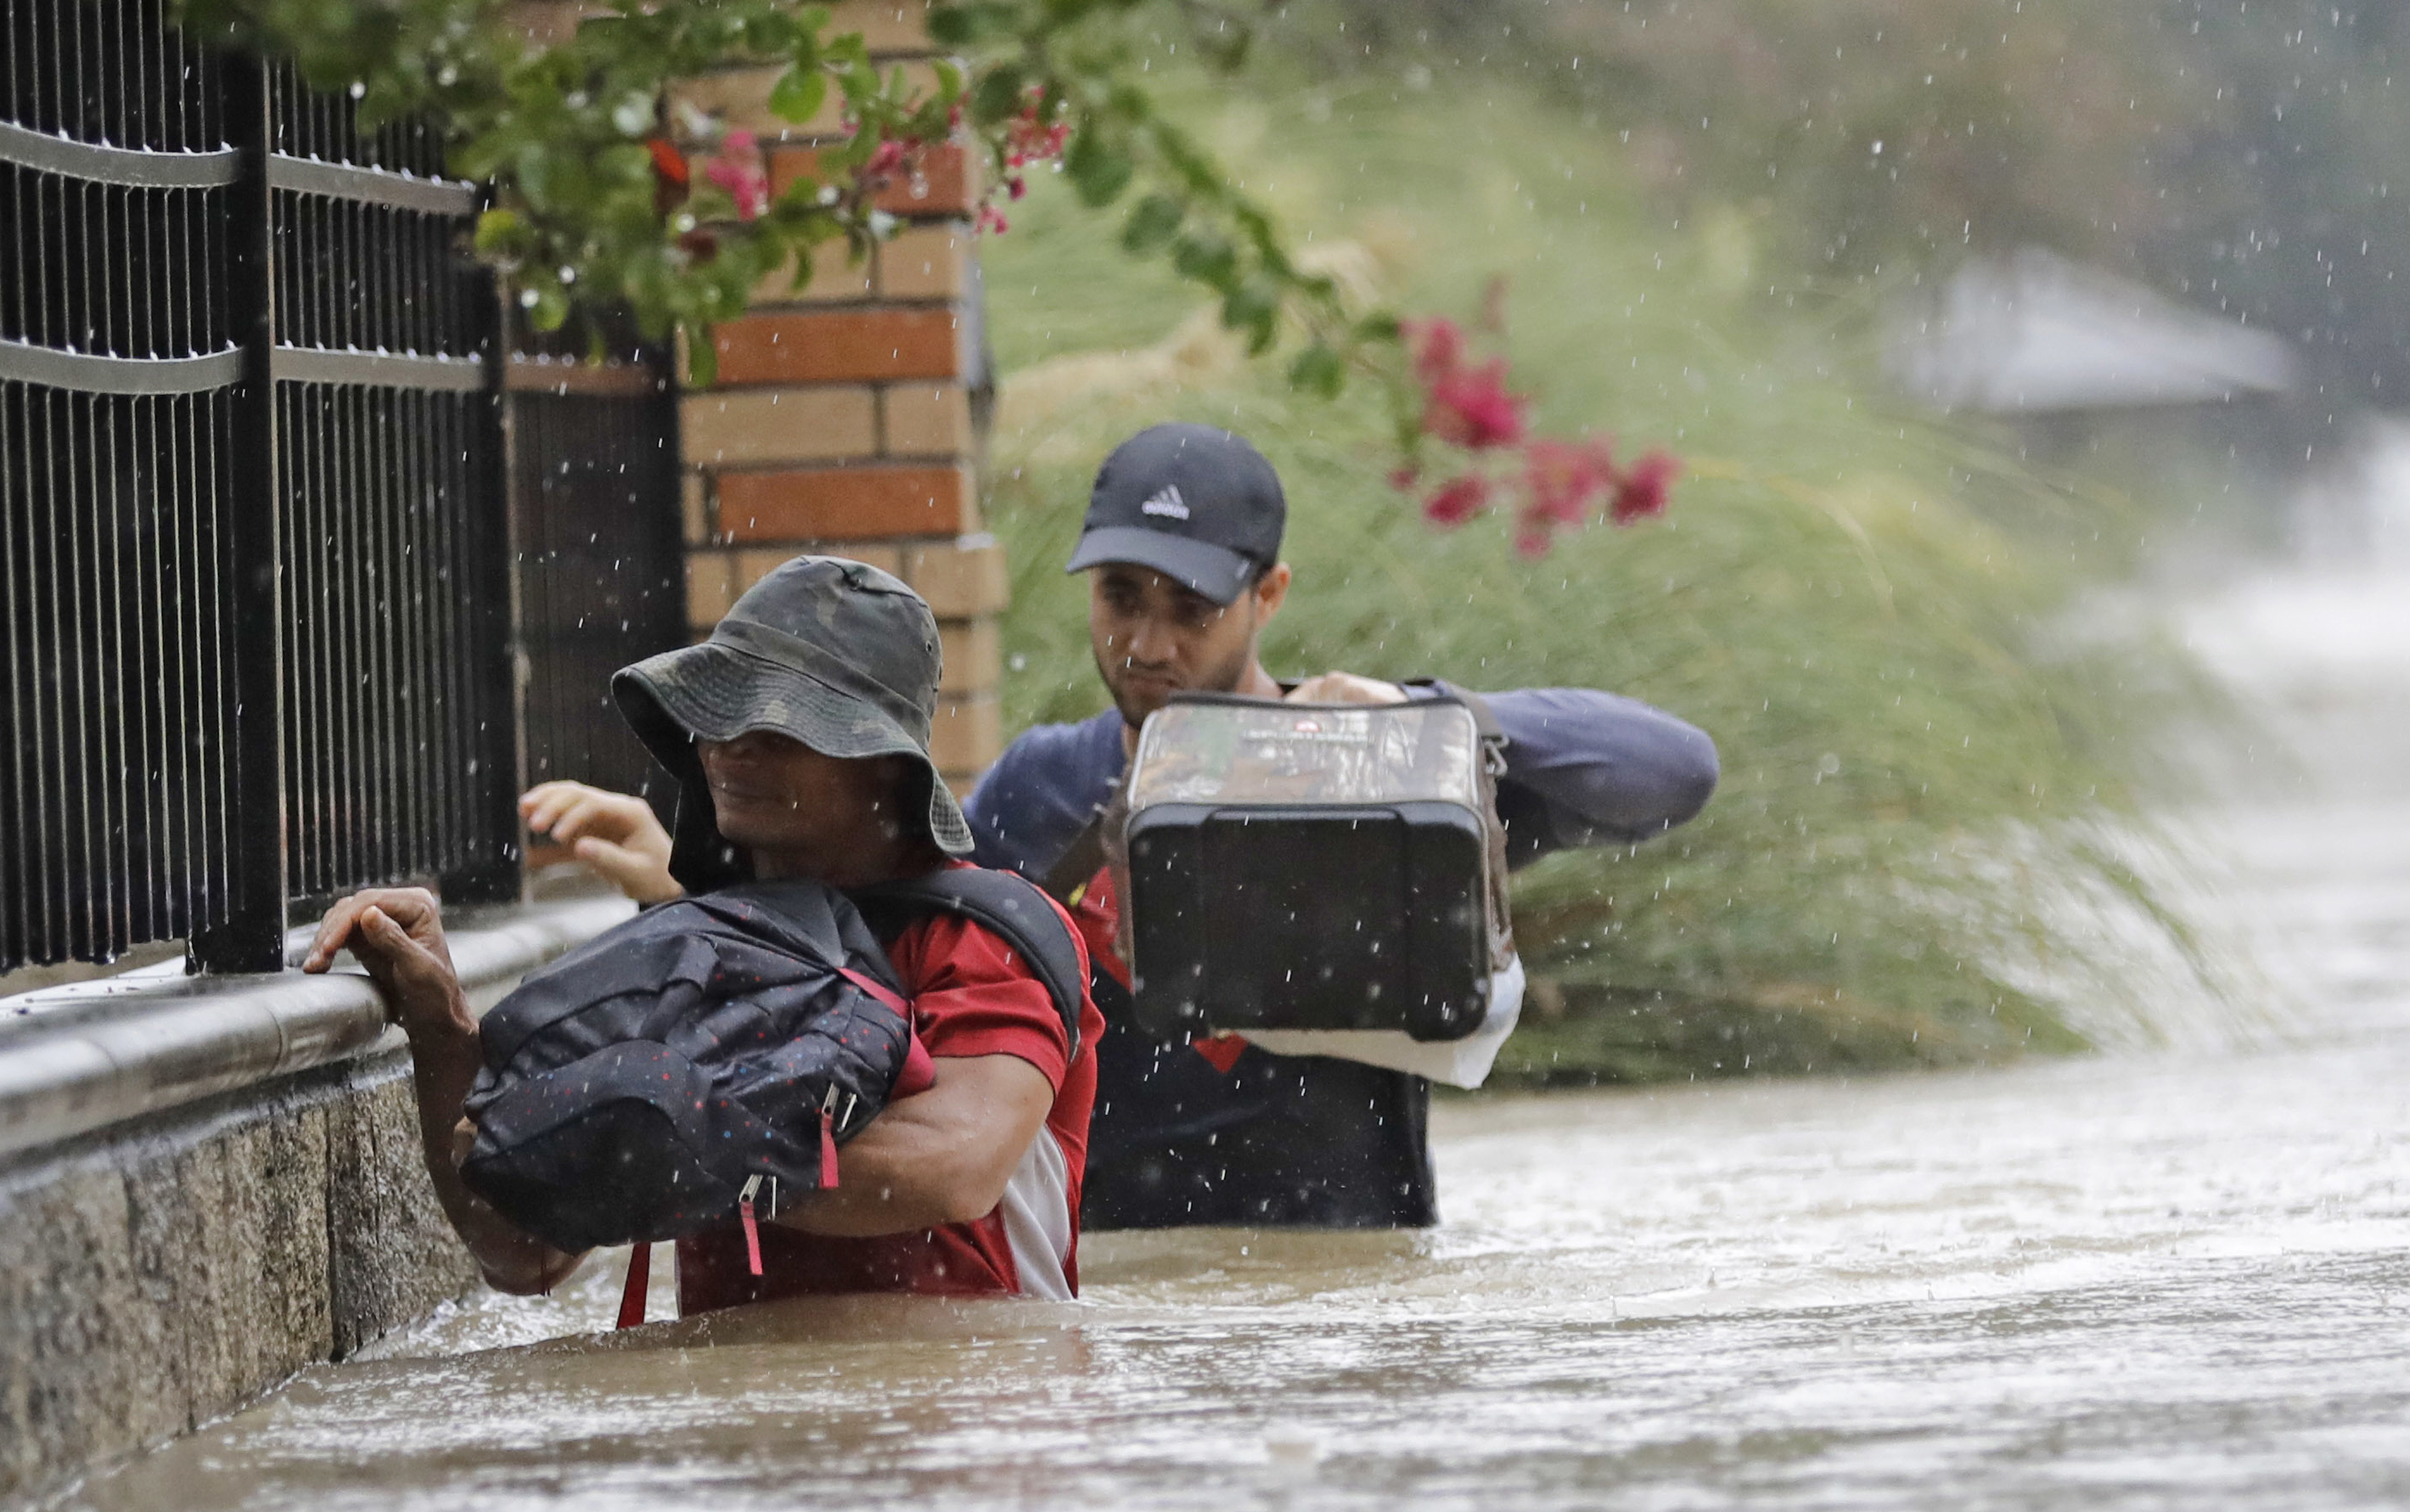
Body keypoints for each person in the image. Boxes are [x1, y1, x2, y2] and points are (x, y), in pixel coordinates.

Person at [965, 422, 1720, 1230]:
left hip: (1350, 1298)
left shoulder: (1386, 779)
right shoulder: (1035, 790)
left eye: (1191, 609)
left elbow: (1672, 772)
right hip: (1114, 1299)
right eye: (1121, 597)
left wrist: (1432, 715)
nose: (1148, 644)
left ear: (1269, 596)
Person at [309, 555, 1101, 1314]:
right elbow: (519, 1249)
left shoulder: (990, 937)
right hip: (739, 1438)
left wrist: (682, 1138)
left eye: (780, 721)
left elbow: (955, 1164)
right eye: (720, 707)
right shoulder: (682, 959)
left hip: (961, 1429)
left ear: (885, 764)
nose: (730, 742)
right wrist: (440, 1023)